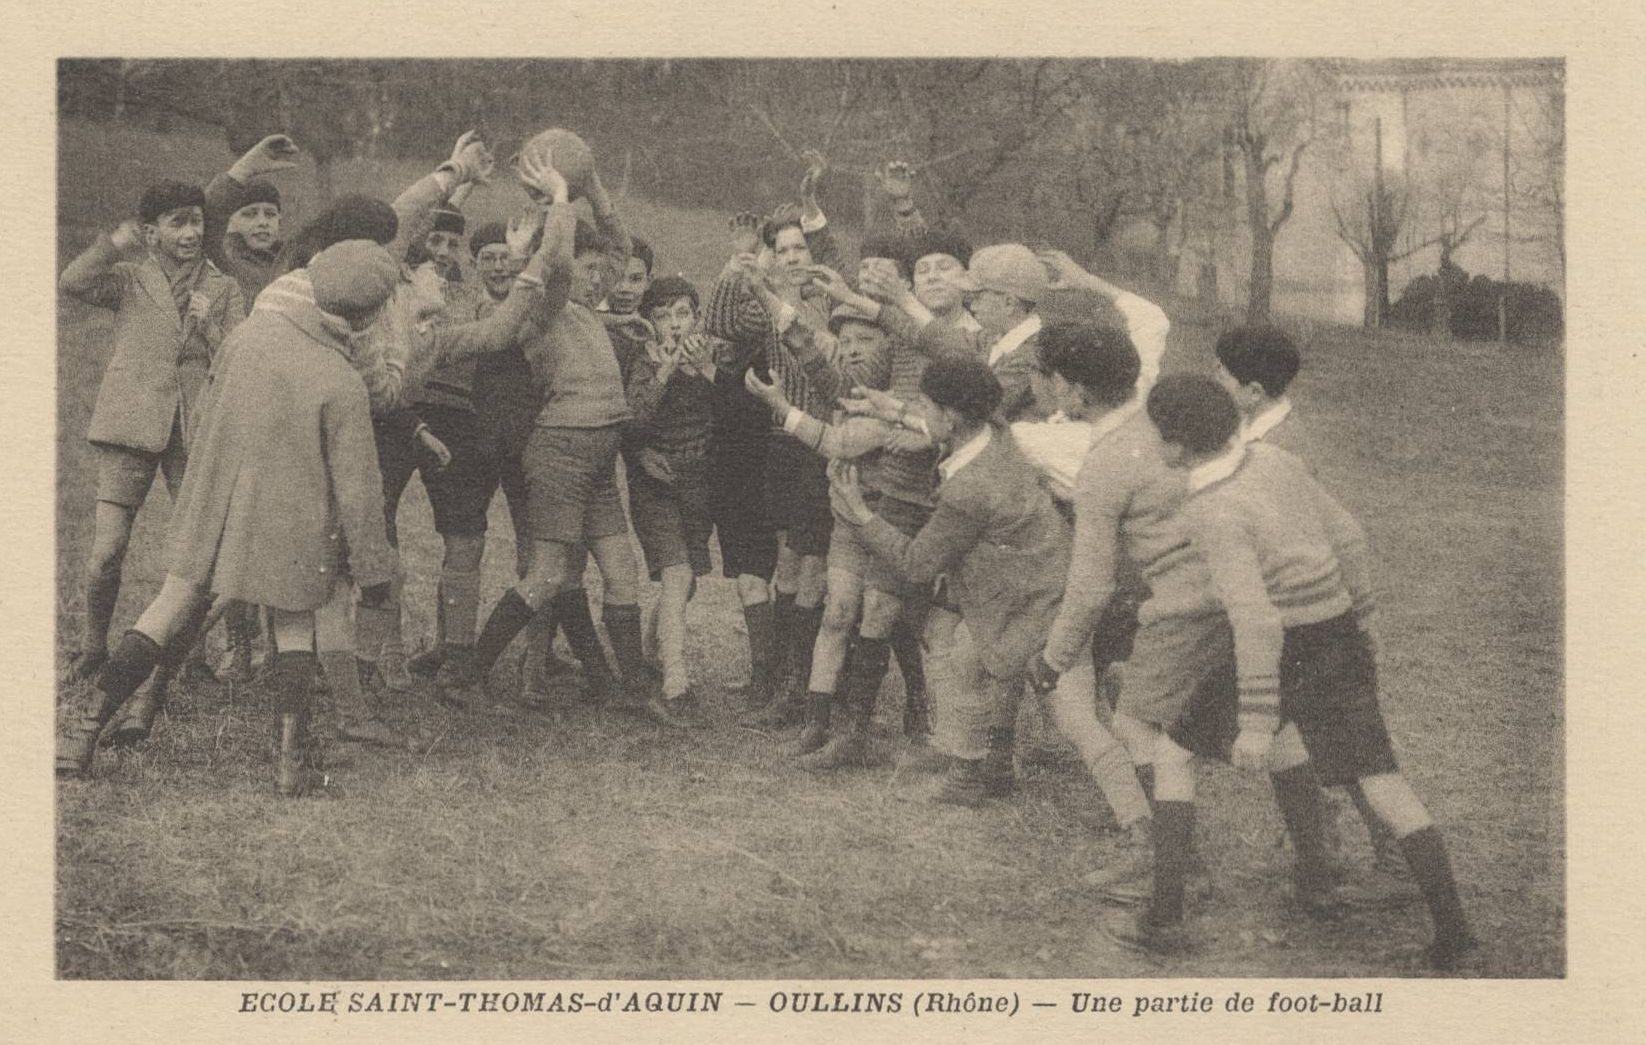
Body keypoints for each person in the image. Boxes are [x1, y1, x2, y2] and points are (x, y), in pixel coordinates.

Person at [1120, 375, 1476, 972]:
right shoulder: (1275, 457)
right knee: (1381, 780)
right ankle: (1454, 932)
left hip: (1283, 649)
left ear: (1177, 446)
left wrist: (1257, 721)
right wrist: (1362, 620)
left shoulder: (1211, 509)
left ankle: (1163, 918)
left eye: (1157, 434)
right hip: (1338, 635)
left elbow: (1256, 622)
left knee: (1171, 753)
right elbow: (1351, 539)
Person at [57, 241, 401, 790]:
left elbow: (205, 414)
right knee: (293, 627)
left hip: (213, 505)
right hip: (293, 525)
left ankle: (82, 731)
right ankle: (291, 763)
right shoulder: (343, 382)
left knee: (167, 607)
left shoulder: (244, 338)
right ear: (370, 315)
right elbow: (360, 493)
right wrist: (374, 572)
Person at [439, 146, 683, 728]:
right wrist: (558, 201)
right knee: (549, 573)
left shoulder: (586, 310)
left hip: (598, 450)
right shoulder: (543, 305)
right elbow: (561, 265)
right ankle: (466, 675)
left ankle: (627, 689)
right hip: (561, 450)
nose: (600, 275)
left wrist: (593, 185)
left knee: (622, 573)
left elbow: (620, 247)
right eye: (587, 266)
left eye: (603, 271)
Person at [1213, 325, 1406, 878]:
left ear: (1251, 390)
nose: (1214, 381)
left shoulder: (1278, 448)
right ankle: (1321, 843)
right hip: (1290, 611)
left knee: (1336, 739)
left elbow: (1327, 532)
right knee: (1299, 732)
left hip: (1305, 614)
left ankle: (1379, 848)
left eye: (1222, 374)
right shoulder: (1257, 432)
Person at [59, 180, 246, 698]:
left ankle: (189, 659)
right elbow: (72, 282)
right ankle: (93, 646)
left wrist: (209, 330)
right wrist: (112, 245)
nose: (190, 232)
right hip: (129, 425)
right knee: (106, 552)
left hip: (193, 432)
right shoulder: (130, 278)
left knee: (195, 556)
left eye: (197, 221)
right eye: (177, 222)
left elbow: (239, 359)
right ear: (151, 231)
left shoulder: (224, 287)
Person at [623, 276, 718, 712]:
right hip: (655, 483)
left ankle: (649, 649)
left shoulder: (712, 357)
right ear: (650, 323)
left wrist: (707, 373)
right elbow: (632, 422)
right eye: (663, 316)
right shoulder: (643, 361)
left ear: (697, 318)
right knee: (676, 574)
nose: (675, 325)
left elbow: (733, 421)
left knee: (688, 581)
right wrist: (663, 371)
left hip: (698, 483)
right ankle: (676, 681)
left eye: (683, 314)